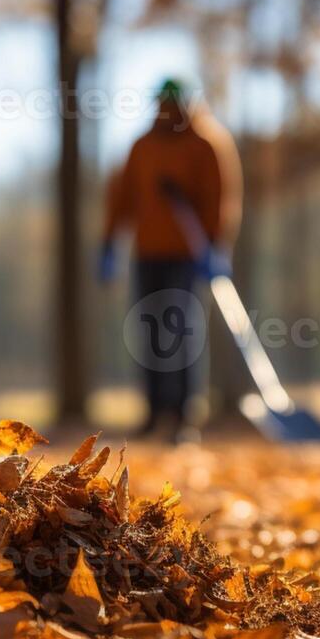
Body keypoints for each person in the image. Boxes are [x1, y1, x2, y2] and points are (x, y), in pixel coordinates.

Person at [100, 79, 242, 438]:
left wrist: (215, 244)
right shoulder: (143, 146)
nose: (166, 112)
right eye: (161, 104)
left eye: (172, 105)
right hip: (148, 253)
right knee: (150, 334)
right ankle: (154, 411)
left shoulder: (206, 143)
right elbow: (122, 197)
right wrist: (109, 242)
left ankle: (184, 415)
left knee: (181, 334)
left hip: (189, 255)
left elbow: (219, 198)